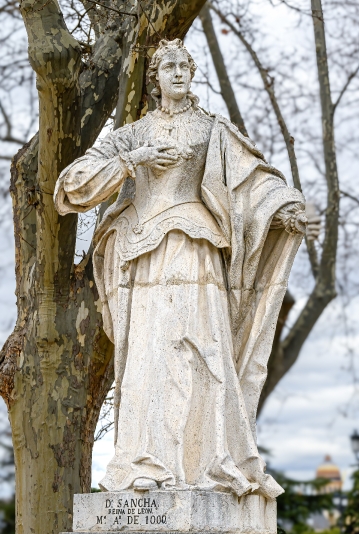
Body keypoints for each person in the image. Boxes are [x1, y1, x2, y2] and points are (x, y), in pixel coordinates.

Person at [54, 39, 306, 499]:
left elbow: (255, 183)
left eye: (184, 66)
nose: (177, 72)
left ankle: (207, 463)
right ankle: (142, 465)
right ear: (155, 78)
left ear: (191, 73)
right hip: (144, 253)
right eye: (168, 66)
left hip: (196, 245)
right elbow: (71, 184)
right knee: (149, 355)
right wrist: (134, 161)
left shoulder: (213, 130)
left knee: (200, 350)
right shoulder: (135, 132)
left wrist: (285, 211)